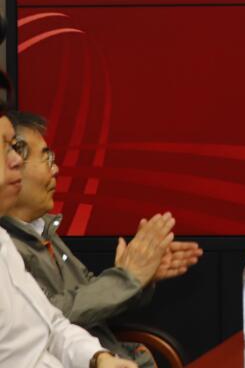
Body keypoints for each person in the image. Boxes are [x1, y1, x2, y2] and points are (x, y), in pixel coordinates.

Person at [2, 112, 203, 368]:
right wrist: (126, 279)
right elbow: (48, 318)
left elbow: (59, 318)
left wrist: (139, 277)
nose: (55, 169)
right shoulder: (11, 242)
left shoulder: (37, 231)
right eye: (46, 158)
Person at [0, 105, 138, 368]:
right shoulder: (12, 240)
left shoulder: (5, 242)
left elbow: (52, 324)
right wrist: (128, 279)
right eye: (6, 147)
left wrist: (98, 359)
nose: (16, 160)